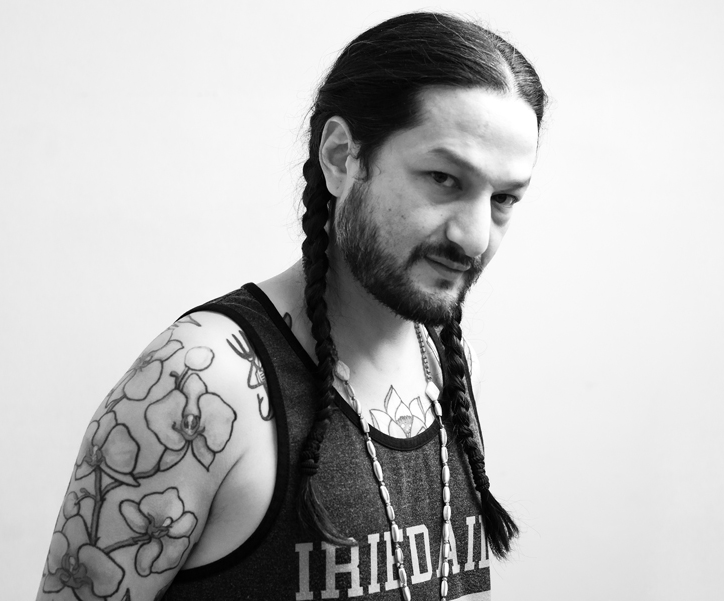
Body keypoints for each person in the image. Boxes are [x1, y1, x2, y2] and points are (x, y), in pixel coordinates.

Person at [37, 11, 546, 601]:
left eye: (504, 198)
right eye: (444, 178)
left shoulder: (447, 368)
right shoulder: (200, 381)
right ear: (341, 157)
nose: (475, 237)